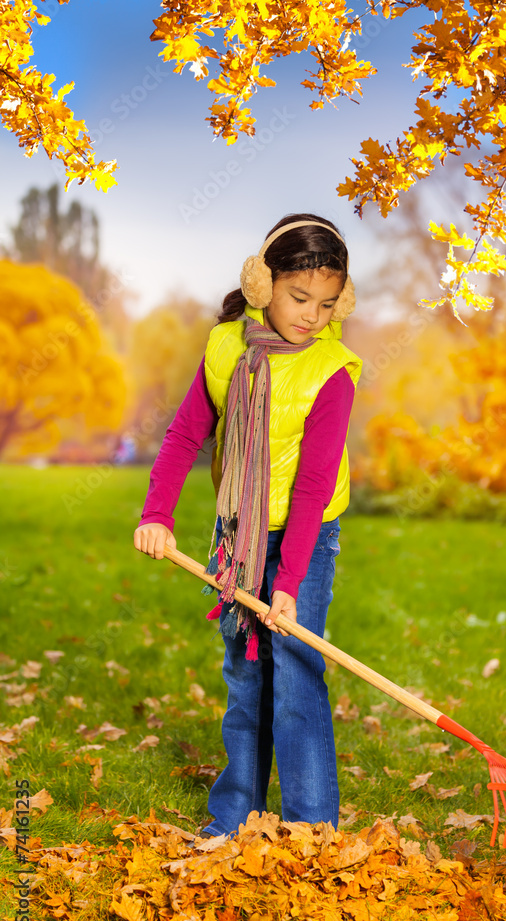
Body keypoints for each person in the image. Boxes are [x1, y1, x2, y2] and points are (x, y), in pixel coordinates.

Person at [133, 213, 362, 838]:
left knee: (295, 670)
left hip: (303, 541)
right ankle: (236, 816)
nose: (311, 315)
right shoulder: (225, 346)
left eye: (326, 302)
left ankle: (312, 828)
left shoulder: (332, 373)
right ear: (263, 283)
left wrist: (288, 581)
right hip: (238, 535)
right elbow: (185, 435)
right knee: (246, 672)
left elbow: (314, 487)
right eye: (298, 297)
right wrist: (157, 514)